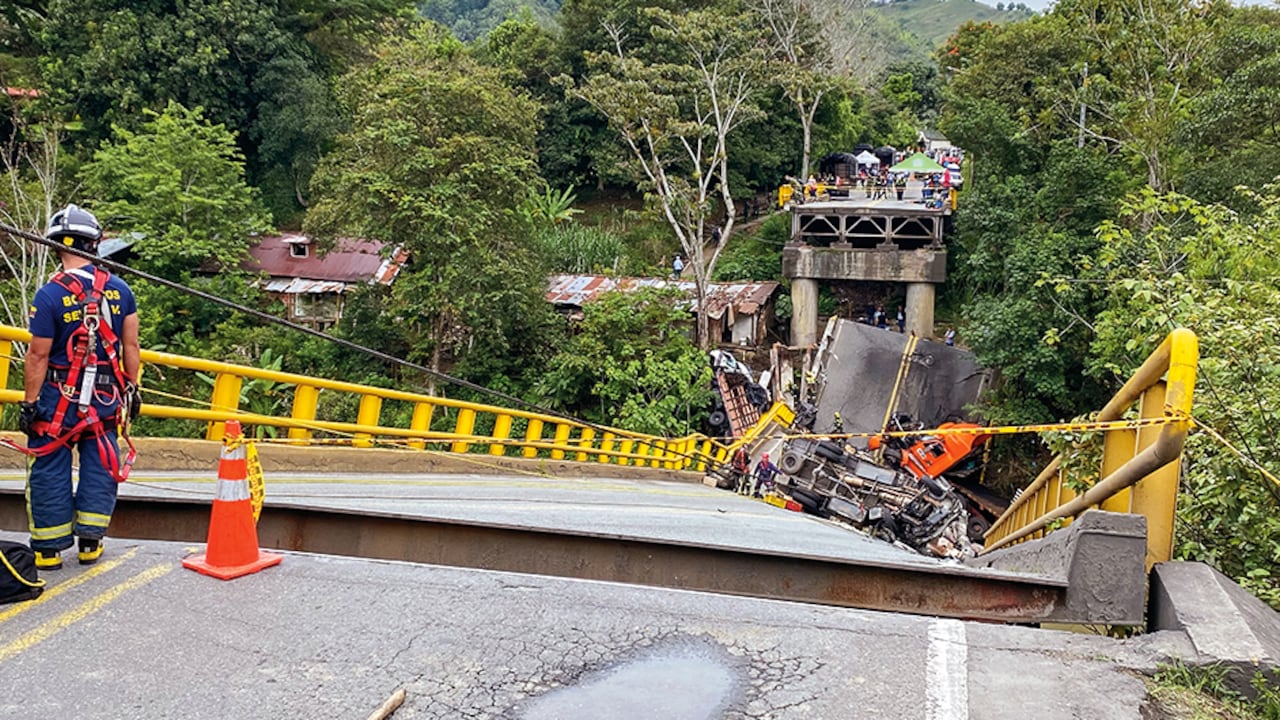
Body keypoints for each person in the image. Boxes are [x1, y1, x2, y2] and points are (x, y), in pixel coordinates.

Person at [18, 204, 140, 570]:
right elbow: (130, 346)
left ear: (56, 246)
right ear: (96, 243)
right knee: (100, 461)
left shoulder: (49, 296)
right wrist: (132, 389)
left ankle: (48, 550)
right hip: (104, 397)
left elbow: (38, 356)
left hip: (57, 399)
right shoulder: (120, 290)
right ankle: (90, 542)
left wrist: (29, 403)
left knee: (49, 462)